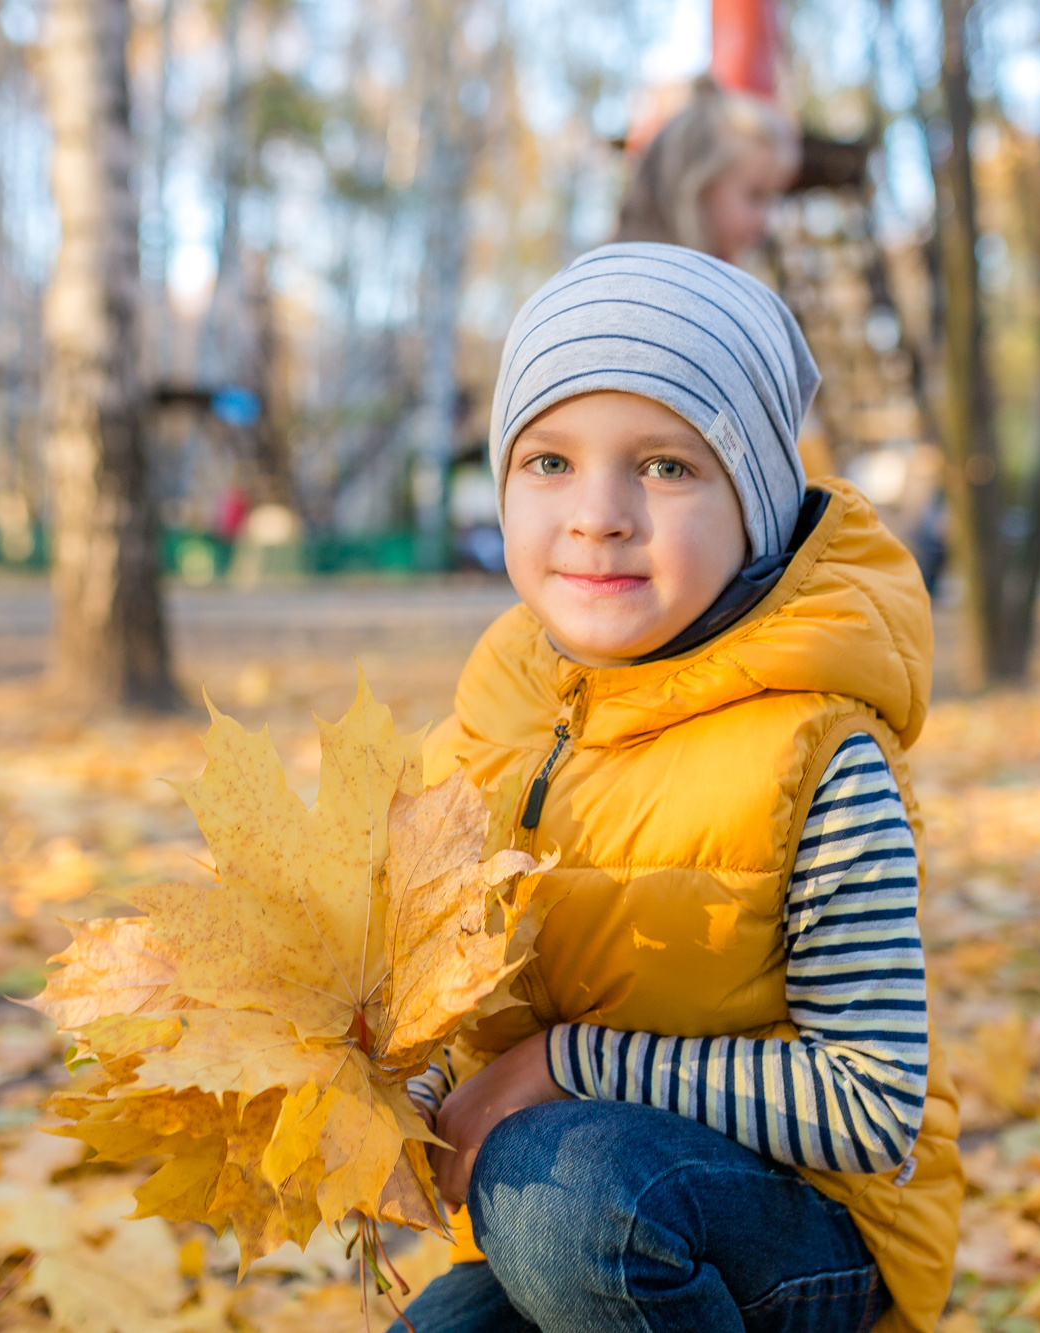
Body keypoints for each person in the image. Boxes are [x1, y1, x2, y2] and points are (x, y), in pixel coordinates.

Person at [395, 243, 961, 1333]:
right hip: (590, 1205)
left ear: (755, 505)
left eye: (664, 466)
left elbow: (873, 1105)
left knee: (565, 1197)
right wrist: (399, 1099)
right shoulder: (491, 720)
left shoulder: (814, 754)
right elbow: (449, 995)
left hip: (803, 1226)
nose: (597, 513)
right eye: (548, 461)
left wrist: (565, 1064)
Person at [613, 78, 800, 264]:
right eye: (755, 196)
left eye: (773, 200)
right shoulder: (640, 269)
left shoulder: (724, 266)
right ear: (698, 186)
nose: (766, 221)